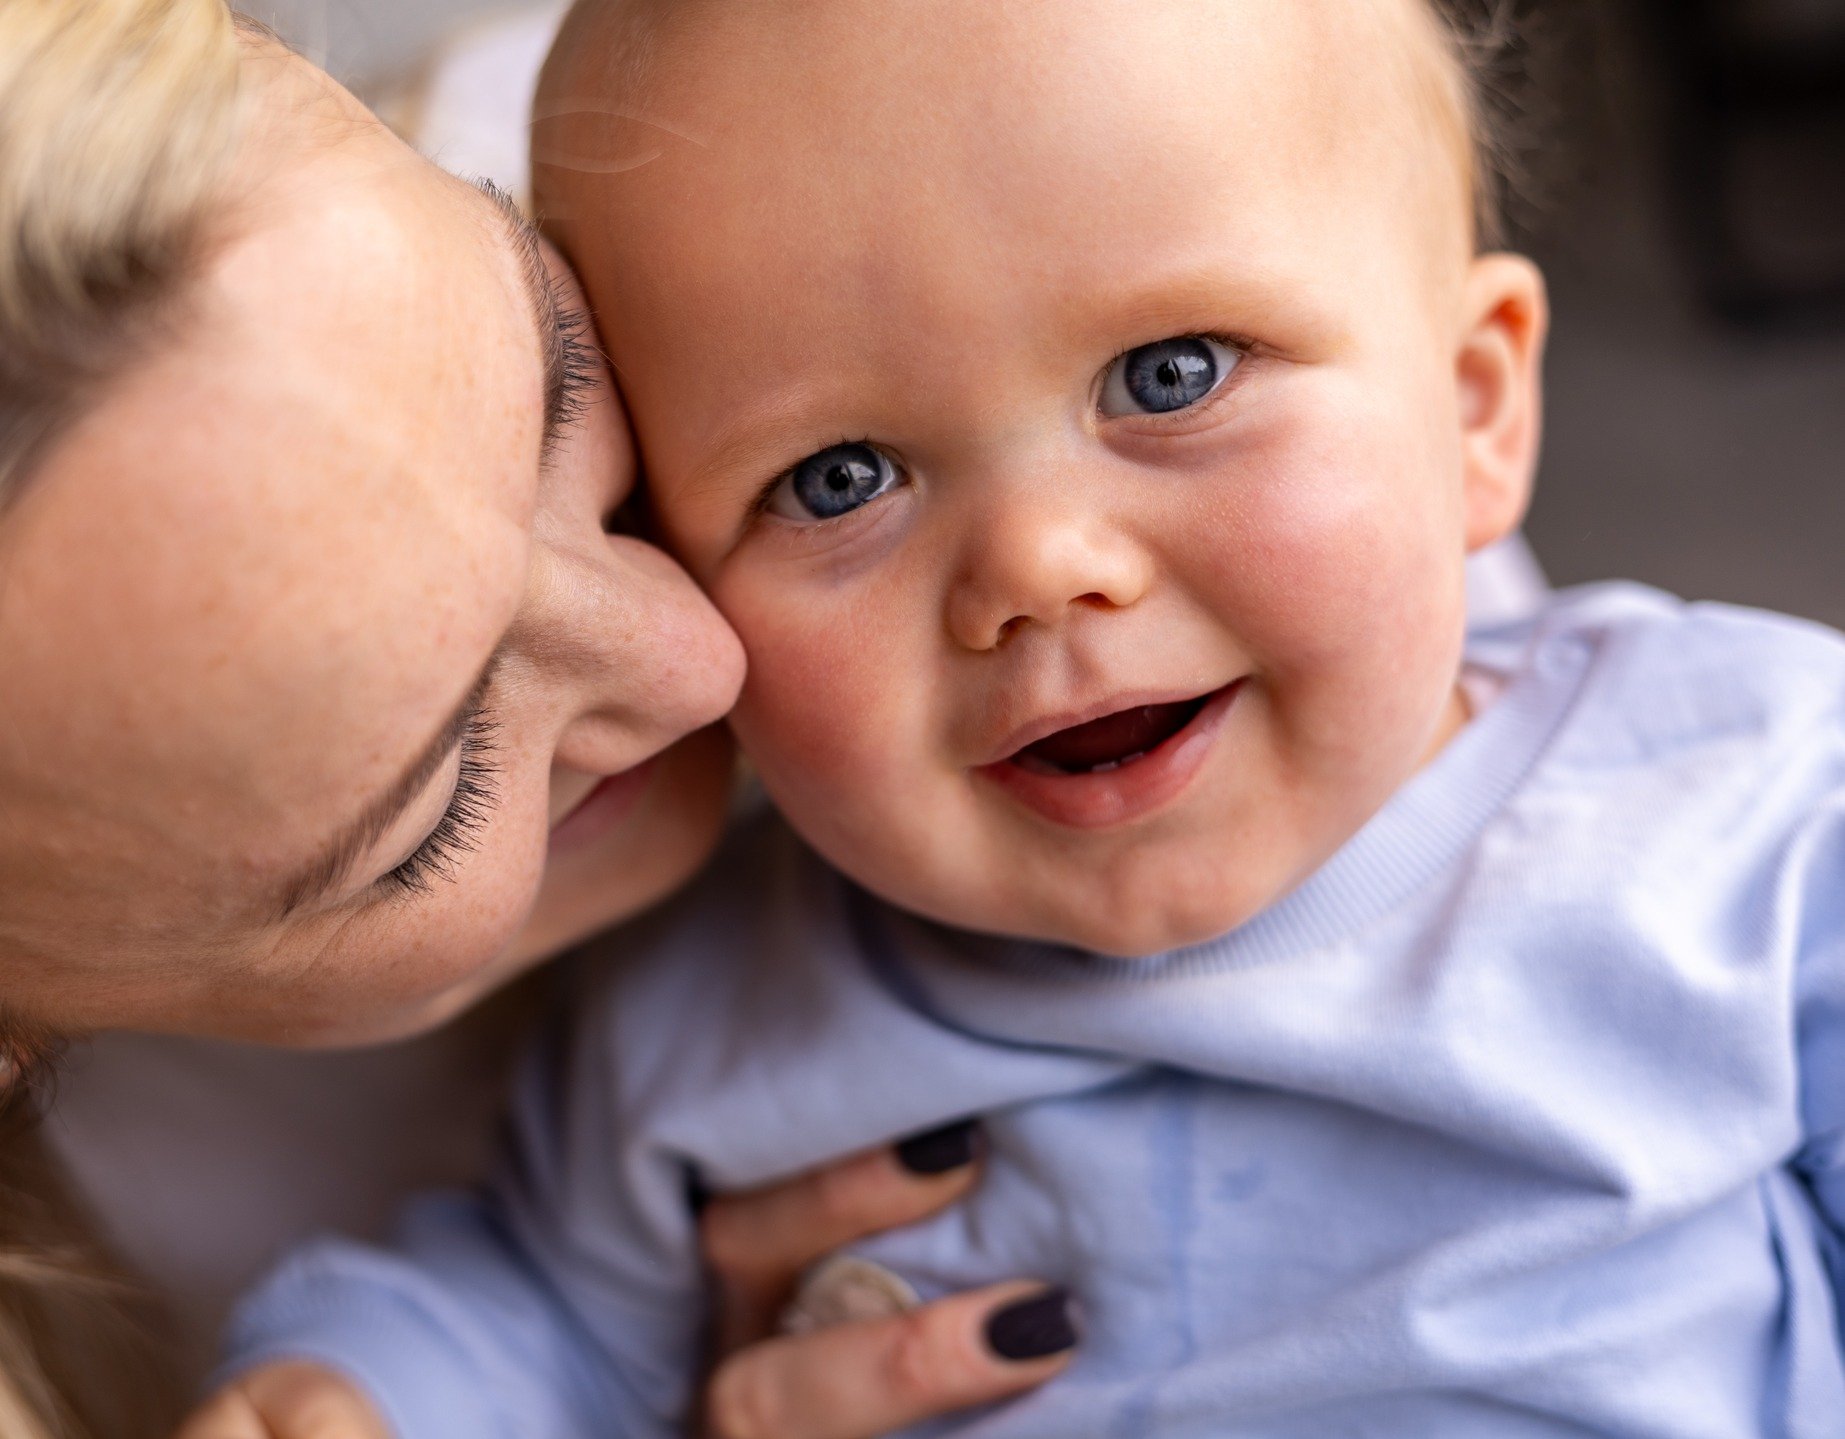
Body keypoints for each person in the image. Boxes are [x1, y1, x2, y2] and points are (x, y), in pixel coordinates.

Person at [213, 0, 1845, 1433]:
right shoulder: (718, 1002)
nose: (1036, 567)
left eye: (1172, 372)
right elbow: (545, 1325)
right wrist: (371, 1386)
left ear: (1472, 405)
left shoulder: (1753, 818)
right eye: (834, 480)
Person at [0, 4, 1084, 1435]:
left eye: (558, 379)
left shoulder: (766, 129)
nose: (700, 660)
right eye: (440, 793)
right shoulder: (232, 1351)